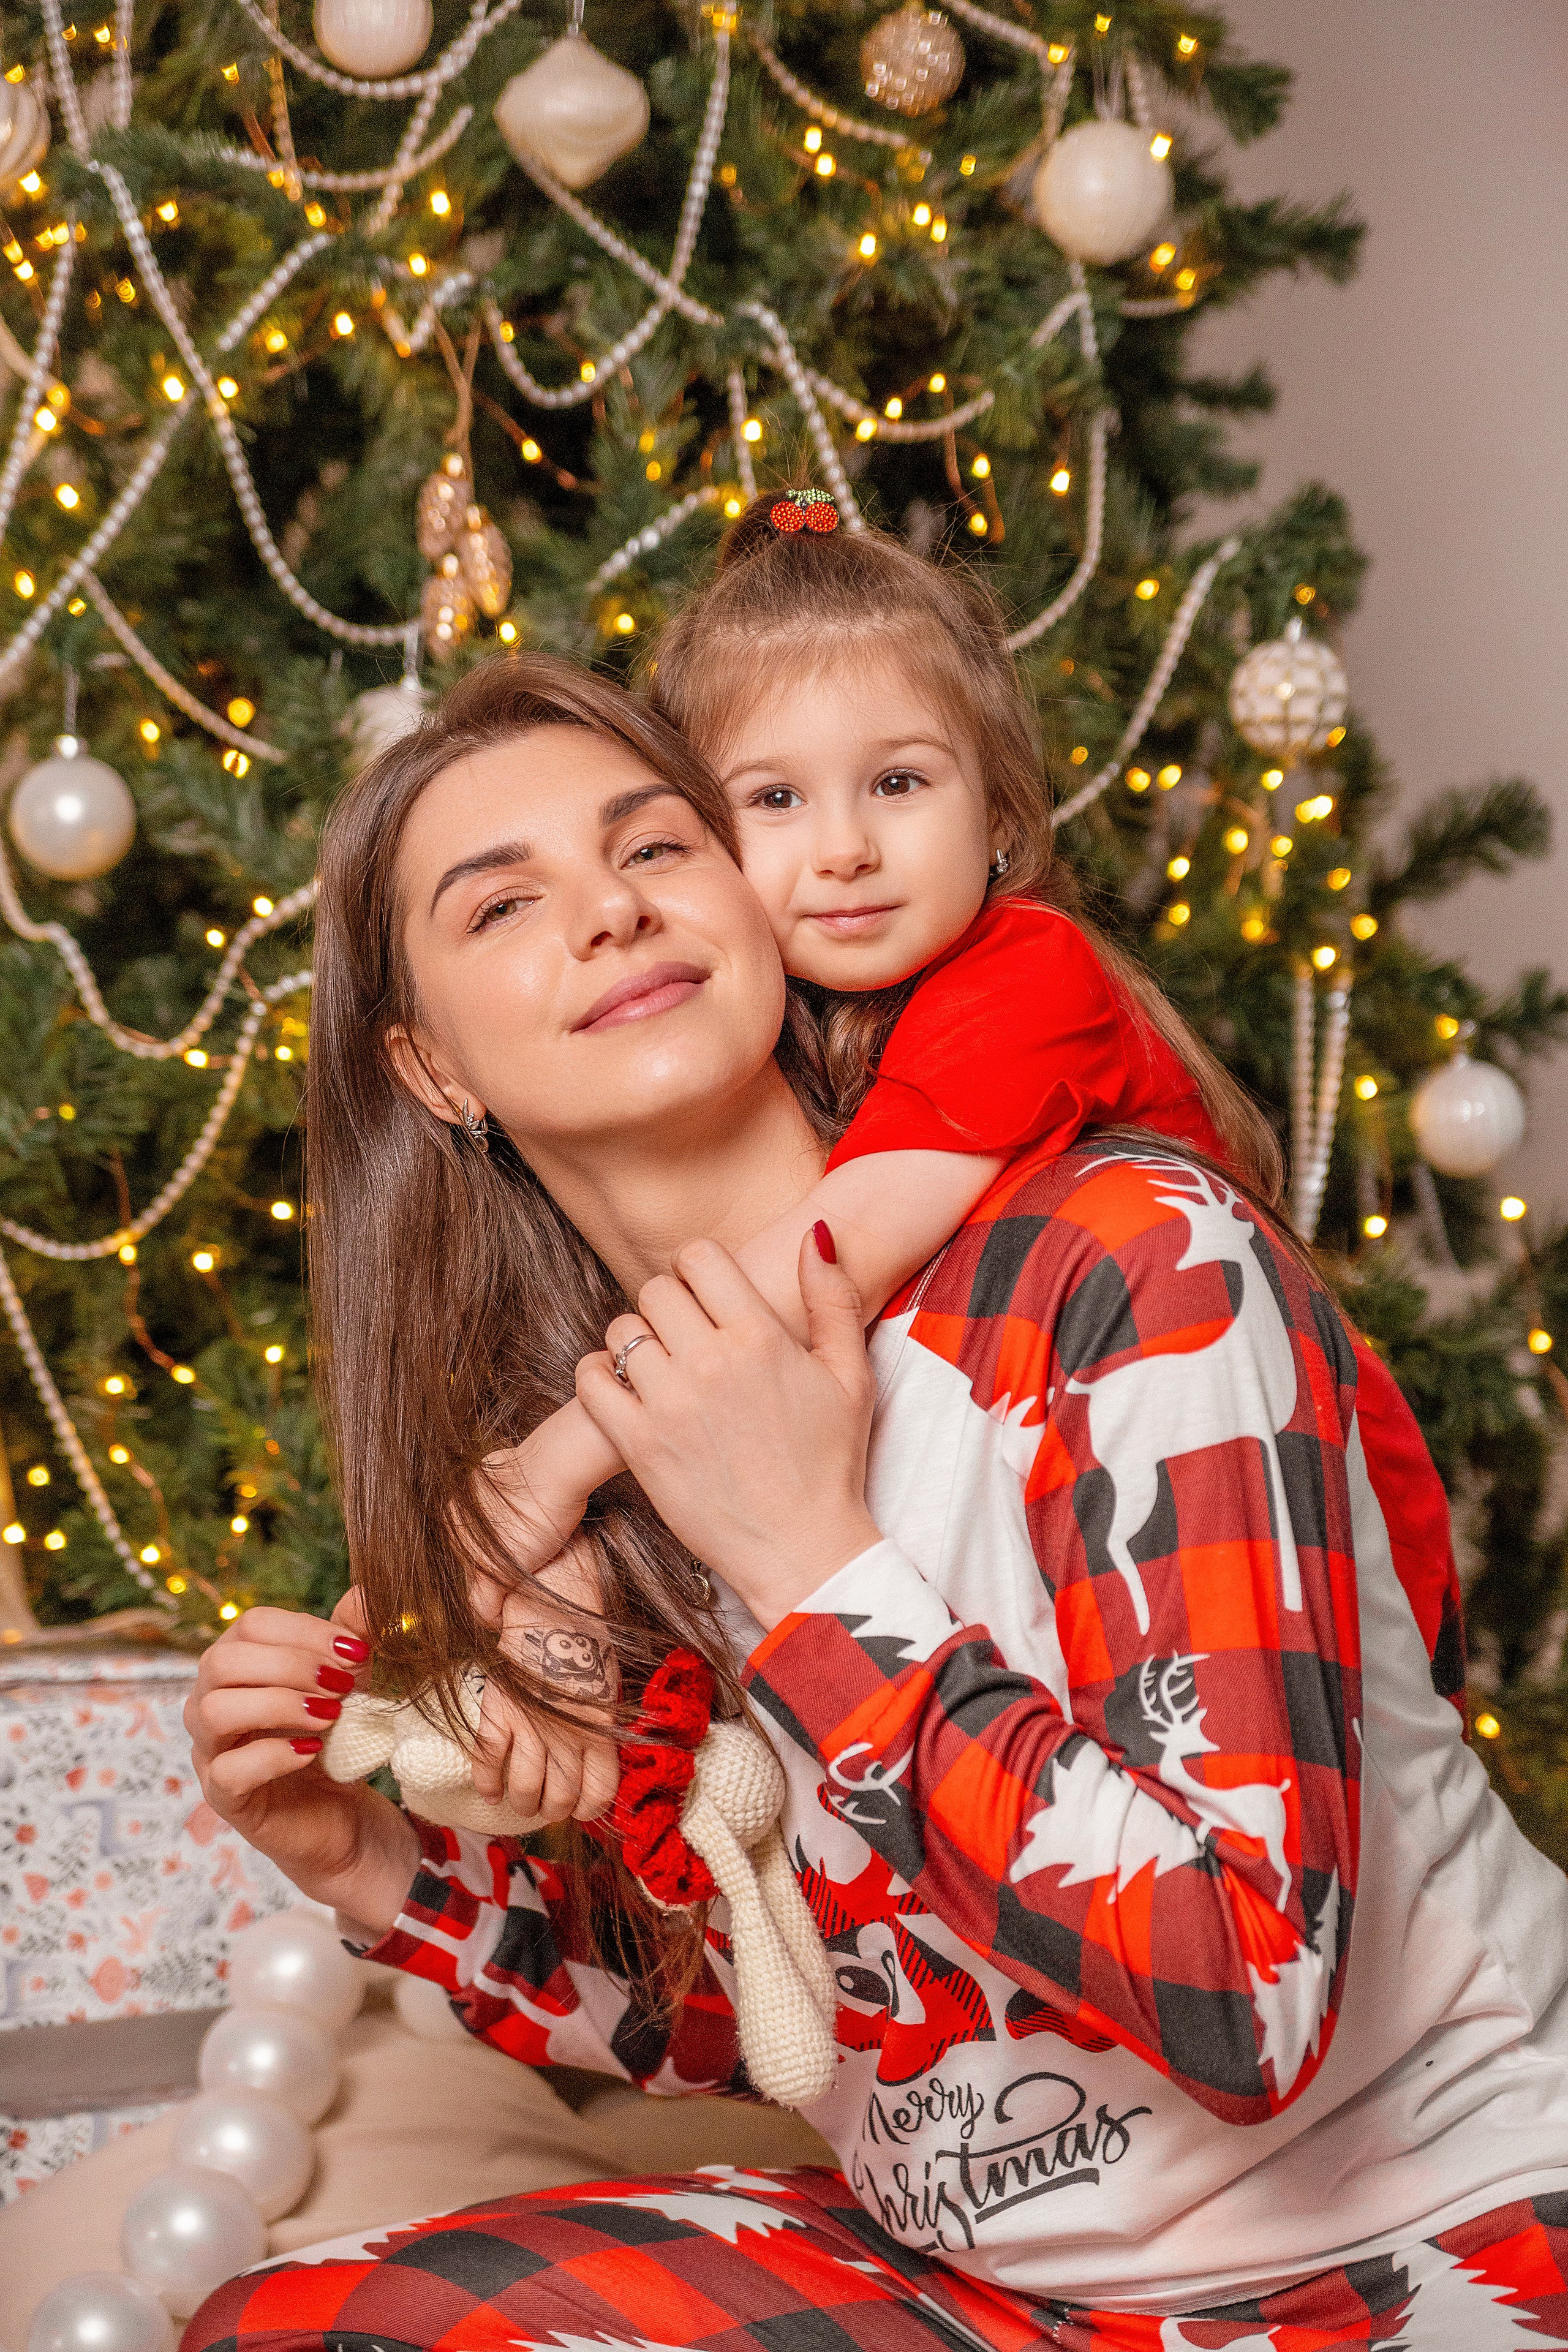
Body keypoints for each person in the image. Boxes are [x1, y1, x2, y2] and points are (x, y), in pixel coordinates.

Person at [183, 652, 1568, 2351]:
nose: (611, 912)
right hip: (1002, 2291)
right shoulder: (596, 1481)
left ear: (762, 910)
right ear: (433, 1071)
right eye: (504, 905)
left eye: (655, 846)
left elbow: (1246, 1991)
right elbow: (788, 2014)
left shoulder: (1128, 1266)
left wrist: (808, 1562)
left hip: (1445, 2231)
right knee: (305, 2329)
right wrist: (376, 1866)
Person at [467, 492, 1463, 1807]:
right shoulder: (808, 1032)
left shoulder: (1025, 971)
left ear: (996, 814)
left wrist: (551, 1468)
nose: (844, 850)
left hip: (1291, 1543)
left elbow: (833, 1256)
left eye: (898, 782)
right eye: (774, 799)